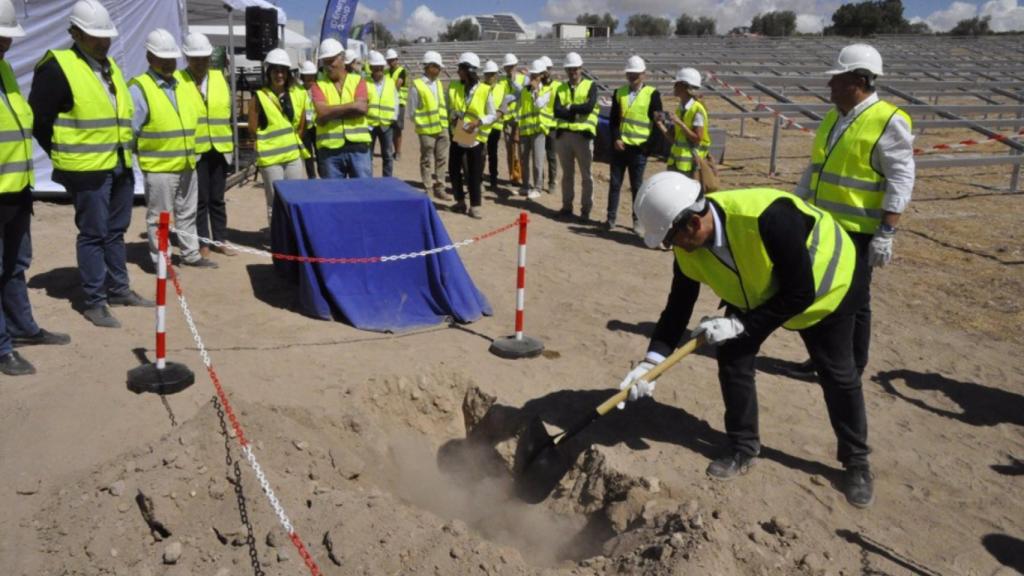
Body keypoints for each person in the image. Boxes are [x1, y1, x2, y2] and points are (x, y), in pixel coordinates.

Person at [625, 171, 874, 508]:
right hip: (762, 292)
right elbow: (677, 309)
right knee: (732, 359)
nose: (672, 248)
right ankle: (744, 447)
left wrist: (741, 325)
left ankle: (857, 461)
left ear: (692, 225)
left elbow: (800, 293)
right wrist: (650, 363)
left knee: (837, 373)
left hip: (829, 288)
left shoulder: (768, 218)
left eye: (672, 239)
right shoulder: (688, 249)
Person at [790, 44, 915, 381]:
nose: (829, 85)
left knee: (855, 301)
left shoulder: (888, 120)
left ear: (858, 81)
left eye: (836, 79)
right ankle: (821, 357)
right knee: (823, 293)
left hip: (859, 230)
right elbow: (815, 167)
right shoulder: (833, 117)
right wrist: (795, 206)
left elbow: (901, 178)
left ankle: (851, 366)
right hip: (825, 225)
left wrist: (886, 232)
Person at [30, 0, 153, 329]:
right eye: (95, 37)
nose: (103, 42)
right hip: (86, 170)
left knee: (116, 232)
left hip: (118, 163)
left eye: (106, 36)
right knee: (93, 234)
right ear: (75, 33)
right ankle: (94, 300)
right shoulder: (57, 68)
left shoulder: (107, 66)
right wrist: (63, 159)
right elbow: (39, 121)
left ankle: (119, 289)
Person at [0, 0, 70, 375]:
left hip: (16, 189)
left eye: (8, 38)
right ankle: (1, 347)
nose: (5, 44)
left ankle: (23, 328)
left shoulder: (5, 71)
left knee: (15, 266)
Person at [131, 29, 216, 270]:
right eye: (163, 58)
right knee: (160, 219)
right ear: (150, 58)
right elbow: (130, 132)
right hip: (160, 169)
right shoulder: (140, 89)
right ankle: (162, 262)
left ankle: (190, 254)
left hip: (188, 163)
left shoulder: (180, 85)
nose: (169, 63)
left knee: (187, 214)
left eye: (171, 58)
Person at [178, 32, 236, 258]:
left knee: (217, 198)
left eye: (204, 58)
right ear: (187, 58)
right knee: (200, 200)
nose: (201, 62)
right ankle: (203, 242)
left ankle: (220, 239)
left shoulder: (219, 78)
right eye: (196, 58)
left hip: (220, 147)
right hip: (197, 148)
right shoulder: (180, 80)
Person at [247, 48, 307, 227]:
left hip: (292, 157)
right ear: (269, 72)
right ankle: (278, 240)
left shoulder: (298, 94)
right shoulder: (259, 97)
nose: (279, 74)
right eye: (275, 70)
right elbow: (252, 128)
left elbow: (302, 124)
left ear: (288, 73)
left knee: (295, 199)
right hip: (271, 160)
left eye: (282, 70)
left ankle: (293, 237)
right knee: (274, 202)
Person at [607, 55, 662, 231]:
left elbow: (657, 124)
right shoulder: (619, 93)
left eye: (636, 74)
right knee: (615, 185)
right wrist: (616, 138)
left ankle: (637, 221)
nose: (632, 76)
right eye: (630, 73)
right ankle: (610, 219)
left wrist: (648, 148)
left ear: (643, 74)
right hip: (620, 147)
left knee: (637, 188)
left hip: (639, 149)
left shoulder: (652, 94)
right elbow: (614, 120)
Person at [447, 52, 496, 219]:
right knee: (454, 170)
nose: (458, 72)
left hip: (474, 138)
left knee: (474, 174)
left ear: (469, 70)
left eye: (460, 68)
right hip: (458, 133)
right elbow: (451, 107)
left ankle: (475, 206)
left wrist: (478, 122)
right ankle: (460, 202)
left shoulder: (485, 90)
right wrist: (452, 117)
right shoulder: (455, 86)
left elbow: (492, 114)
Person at [311, 42, 371, 179]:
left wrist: (329, 113)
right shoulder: (318, 85)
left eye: (331, 61)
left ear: (342, 58)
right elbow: (321, 112)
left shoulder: (358, 81)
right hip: (329, 150)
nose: (328, 66)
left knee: (364, 193)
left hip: (358, 147)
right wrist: (351, 107)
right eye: (325, 62)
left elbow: (361, 108)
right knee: (334, 196)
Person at [552, 52, 598, 222]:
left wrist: (570, 108)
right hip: (564, 136)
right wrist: (574, 113)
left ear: (581, 69)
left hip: (583, 137)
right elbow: (557, 110)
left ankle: (585, 211)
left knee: (586, 176)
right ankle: (566, 207)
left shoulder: (590, 86)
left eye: (575, 69)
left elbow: (589, 107)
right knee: (567, 174)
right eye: (569, 69)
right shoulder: (561, 88)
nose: (572, 72)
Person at [409, 51, 449, 200]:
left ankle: (440, 187)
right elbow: (412, 112)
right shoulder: (417, 86)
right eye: (437, 67)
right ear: (430, 67)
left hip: (442, 127)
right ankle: (428, 188)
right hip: (426, 130)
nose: (439, 70)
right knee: (427, 160)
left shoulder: (438, 83)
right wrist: (423, 125)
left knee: (442, 158)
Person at [663, 67, 711, 178]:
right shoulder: (680, 108)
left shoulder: (697, 109)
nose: (674, 87)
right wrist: (660, 124)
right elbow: (675, 140)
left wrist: (680, 123)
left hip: (691, 165)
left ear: (684, 86)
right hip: (677, 163)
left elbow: (697, 138)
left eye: (676, 84)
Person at [515, 59, 550, 201]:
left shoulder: (547, 90)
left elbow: (539, 105)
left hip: (538, 130)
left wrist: (536, 90)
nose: (532, 78)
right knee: (524, 159)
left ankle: (537, 187)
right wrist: (517, 129)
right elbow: (519, 110)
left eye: (535, 75)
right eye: (531, 75)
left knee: (537, 161)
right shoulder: (524, 91)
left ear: (542, 75)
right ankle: (525, 186)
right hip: (525, 130)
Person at [366, 50, 398, 177]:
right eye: (375, 68)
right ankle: (368, 182)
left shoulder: (390, 82)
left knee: (388, 155)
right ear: (371, 68)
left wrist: (393, 118)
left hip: (386, 124)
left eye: (380, 68)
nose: (378, 70)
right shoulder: (365, 82)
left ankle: (387, 180)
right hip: (370, 124)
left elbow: (395, 101)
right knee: (367, 156)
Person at [500, 53, 525, 188]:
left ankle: (522, 176)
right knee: (510, 150)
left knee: (521, 149)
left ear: (515, 66)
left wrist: (514, 88)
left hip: (520, 119)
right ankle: (513, 177)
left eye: (511, 66)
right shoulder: (502, 82)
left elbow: (524, 94)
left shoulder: (522, 79)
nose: (509, 69)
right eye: (507, 67)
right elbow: (502, 98)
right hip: (508, 120)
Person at [481, 60, 505, 190]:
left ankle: (493, 179)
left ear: (496, 75)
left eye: (493, 74)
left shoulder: (501, 88)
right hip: (483, 126)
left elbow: (504, 104)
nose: (490, 77)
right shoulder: (480, 88)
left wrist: (498, 115)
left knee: (493, 154)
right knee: (481, 154)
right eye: (488, 74)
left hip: (496, 126)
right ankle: (479, 179)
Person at [298, 60, 319, 179]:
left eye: (312, 77)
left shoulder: (319, 89)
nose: (310, 80)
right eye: (307, 77)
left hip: (317, 126)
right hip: (305, 126)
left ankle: (323, 174)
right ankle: (312, 178)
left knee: (320, 153)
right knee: (308, 155)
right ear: (303, 77)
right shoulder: (298, 90)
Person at [540, 55, 559, 193]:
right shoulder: (536, 86)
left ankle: (552, 182)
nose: (545, 72)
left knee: (551, 155)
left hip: (552, 126)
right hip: (539, 125)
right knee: (538, 156)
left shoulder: (557, 86)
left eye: (547, 69)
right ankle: (539, 181)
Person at [385, 49, 406, 161]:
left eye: (392, 60)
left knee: (397, 128)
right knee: (388, 128)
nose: (391, 62)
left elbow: (398, 85)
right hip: (388, 103)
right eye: (389, 60)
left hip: (399, 103)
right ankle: (389, 150)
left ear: (397, 60)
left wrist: (386, 91)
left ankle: (398, 152)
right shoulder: (386, 72)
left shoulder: (402, 71)